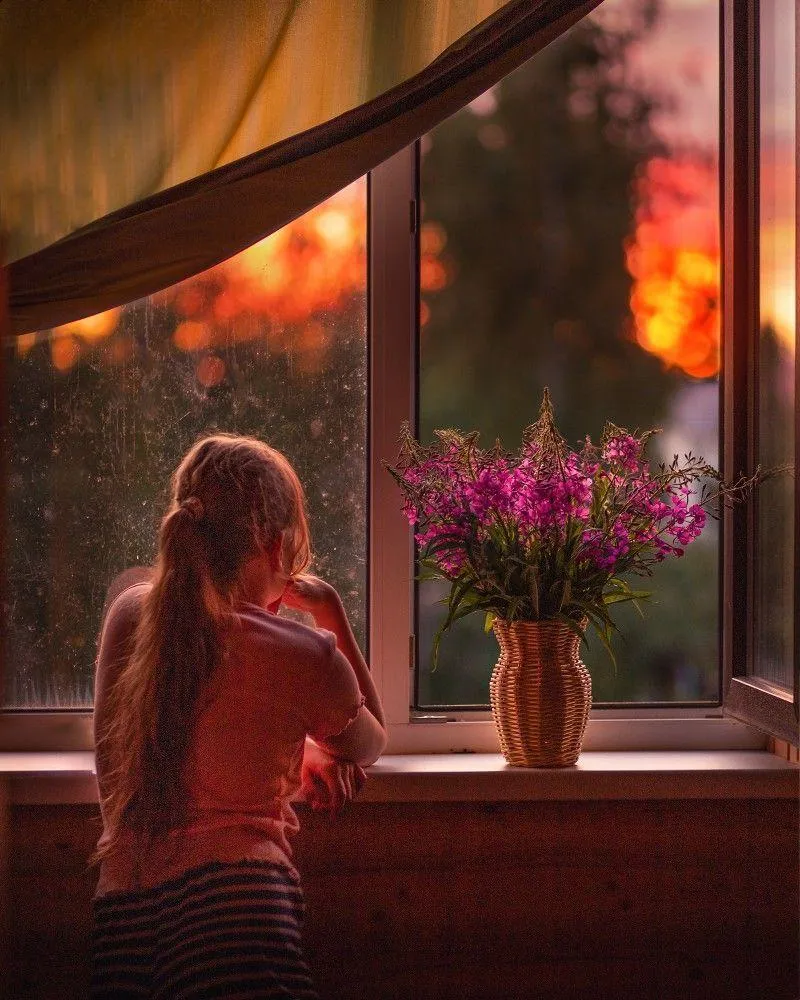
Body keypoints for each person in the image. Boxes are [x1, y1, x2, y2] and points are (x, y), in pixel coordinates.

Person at [90, 433, 387, 999]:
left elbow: (171, 726)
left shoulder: (130, 619)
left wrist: (294, 747)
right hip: (238, 912)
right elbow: (370, 738)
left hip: (123, 920)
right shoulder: (304, 654)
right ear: (277, 548)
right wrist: (330, 613)